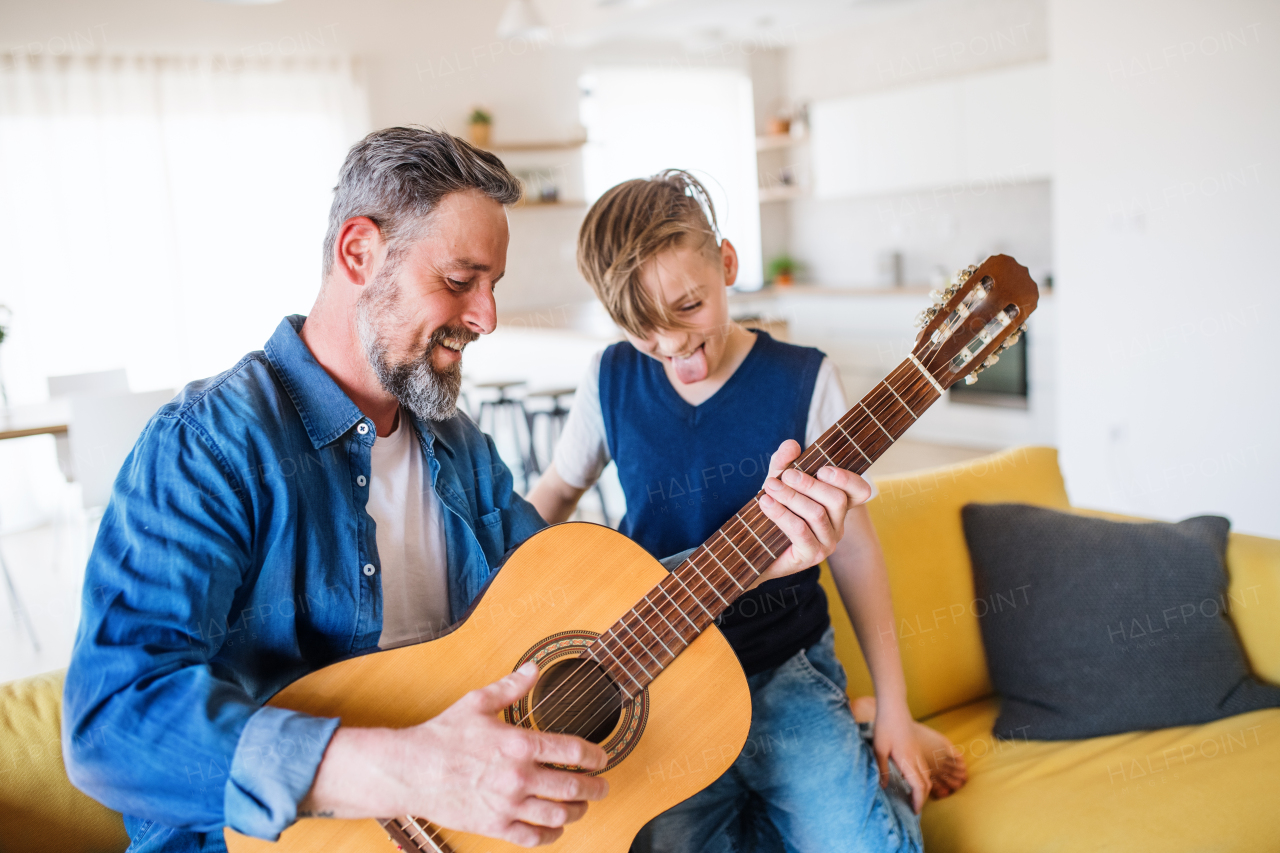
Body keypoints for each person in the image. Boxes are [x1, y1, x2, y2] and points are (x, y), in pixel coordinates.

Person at [60, 129, 872, 853]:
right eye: (460, 279)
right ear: (358, 254)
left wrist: (761, 552)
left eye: (494, 285)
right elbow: (109, 727)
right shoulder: (210, 447)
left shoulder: (459, 447)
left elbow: (582, 615)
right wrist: (412, 768)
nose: (486, 317)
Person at [528, 170, 968, 853]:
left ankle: (861, 721)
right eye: (645, 332)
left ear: (727, 265)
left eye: (689, 307)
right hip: (659, 685)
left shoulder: (805, 378)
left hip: (782, 665)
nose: (674, 346)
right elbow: (553, 493)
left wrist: (899, 710)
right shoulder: (609, 378)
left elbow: (854, 549)